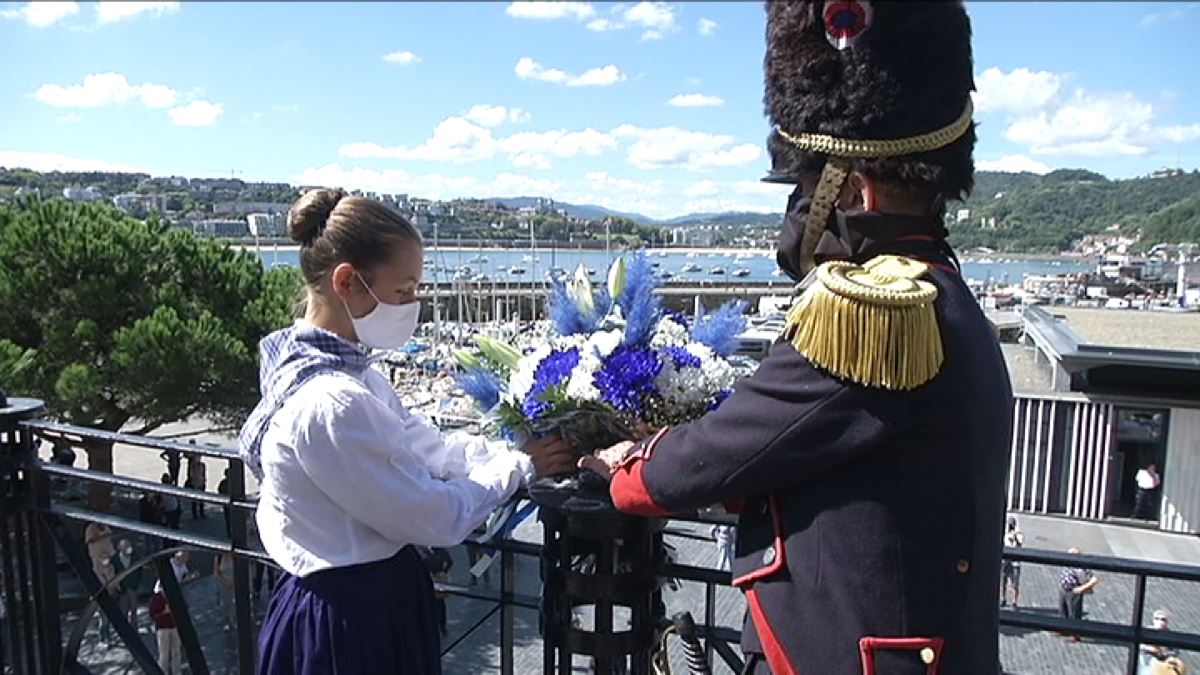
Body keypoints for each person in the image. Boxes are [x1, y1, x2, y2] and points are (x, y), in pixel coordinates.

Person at [581, 3, 1013, 672]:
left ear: (856, 190)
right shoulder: (942, 291)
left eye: (807, 185)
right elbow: (814, 449)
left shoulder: (877, 313)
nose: (795, 208)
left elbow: (728, 448)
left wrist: (624, 467)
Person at [240, 189, 576, 674]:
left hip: (348, 604)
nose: (414, 305)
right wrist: (519, 466)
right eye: (403, 292)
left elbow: (428, 446)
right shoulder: (332, 402)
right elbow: (431, 517)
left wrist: (509, 448)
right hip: (352, 621)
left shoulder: (334, 375)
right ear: (348, 282)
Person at [1060, 547, 1100, 642]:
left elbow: (1094, 579)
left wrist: (1082, 588)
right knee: (1063, 610)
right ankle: (1063, 629)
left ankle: (1075, 635)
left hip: (1074, 591)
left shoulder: (1081, 566)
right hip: (1064, 589)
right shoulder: (1067, 564)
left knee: (1074, 613)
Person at [149, 581, 182, 674]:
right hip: (162, 628)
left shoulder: (174, 595)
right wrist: (164, 612)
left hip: (174, 626)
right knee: (164, 654)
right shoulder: (155, 599)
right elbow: (153, 615)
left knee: (176, 652)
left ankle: (177, 672)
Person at [110, 539, 143, 630]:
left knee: (134, 609)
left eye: (128, 546)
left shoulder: (135, 557)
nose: (128, 548)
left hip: (133, 587)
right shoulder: (115, 559)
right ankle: (124, 629)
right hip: (122, 589)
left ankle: (134, 629)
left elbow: (140, 570)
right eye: (125, 546)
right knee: (123, 610)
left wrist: (137, 582)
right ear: (120, 547)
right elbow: (111, 571)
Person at [1001, 516, 1024, 608]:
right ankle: (1003, 599)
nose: (1010, 526)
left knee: (1015, 582)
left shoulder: (1019, 534)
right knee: (1003, 580)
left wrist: (1015, 537)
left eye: (1012, 524)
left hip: (1015, 562)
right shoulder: (1005, 534)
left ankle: (1014, 601)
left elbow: (1020, 544)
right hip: (1005, 561)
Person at [213, 552, 236, 632]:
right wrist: (225, 582)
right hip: (223, 584)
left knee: (234, 602)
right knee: (225, 603)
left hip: (234, 583)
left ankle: (234, 620)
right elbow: (216, 573)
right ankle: (228, 622)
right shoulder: (218, 557)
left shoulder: (234, 556)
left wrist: (233, 581)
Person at [184, 449, 207, 520]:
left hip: (201, 482)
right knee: (194, 500)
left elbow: (204, 474)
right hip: (194, 483)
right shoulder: (192, 466)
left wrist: (204, 481)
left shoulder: (203, 465)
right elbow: (191, 475)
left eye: (199, 457)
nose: (199, 458)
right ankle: (195, 515)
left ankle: (201, 513)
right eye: (197, 457)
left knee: (201, 500)